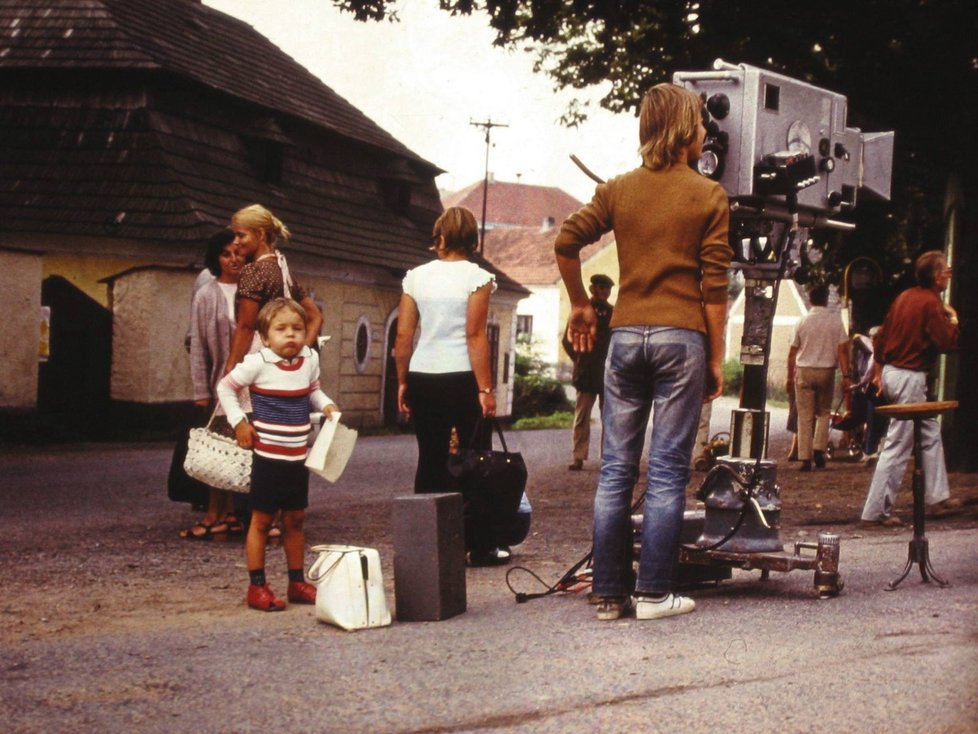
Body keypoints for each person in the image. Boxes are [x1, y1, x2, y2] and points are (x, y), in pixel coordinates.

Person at [555, 83, 732, 621]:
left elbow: (566, 241)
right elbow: (715, 290)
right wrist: (716, 360)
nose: (705, 131)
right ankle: (655, 593)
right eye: (700, 122)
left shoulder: (618, 189)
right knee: (669, 470)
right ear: (685, 129)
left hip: (626, 339)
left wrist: (581, 305)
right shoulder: (708, 195)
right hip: (682, 338)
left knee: (615, 469)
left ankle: (608, 593)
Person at [394, 206, 504, 566]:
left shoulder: (415, 278)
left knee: (430, 457)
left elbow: (404, 335)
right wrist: (486, 389)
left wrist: (402, 380)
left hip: (424, 374)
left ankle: (426, 540)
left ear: (439, 235)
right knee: (474, 459)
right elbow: (475, 335)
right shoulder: (478, 278)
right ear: (472, 238)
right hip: (462, 376)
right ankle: (479, 543)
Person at [217, 298, 339, 611]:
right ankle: (257, 586)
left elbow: (312, 390)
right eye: (281, 329)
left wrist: (325, 404)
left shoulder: (309, 358)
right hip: (268, 458)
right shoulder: (257, 362)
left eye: (297, 329)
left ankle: (297, 582)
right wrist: (239, 422)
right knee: (261, 521)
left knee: (296, 519)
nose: (291, 336)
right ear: (265, 336)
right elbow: (226, 388)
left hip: (298, 457)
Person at [225, 204, 324, 542]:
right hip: (284, 368)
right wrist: (302, 351)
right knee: (281, 436)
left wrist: (231, 366)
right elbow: (315, 317)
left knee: (252, 438)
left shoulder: (253, 273)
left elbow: (245, 325)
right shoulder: (283, 268)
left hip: (255, 361)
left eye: (241, 235)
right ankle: (281, 516)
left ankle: (254, 519)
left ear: (261, 236)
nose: (236, 243)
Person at [860, 251, 961, 526]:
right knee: (899, 443)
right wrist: (953, 320)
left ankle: (938, 497)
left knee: (929, 433)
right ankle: (876, 511)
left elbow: (880, 337)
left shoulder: (905, 296)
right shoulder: (931, 302)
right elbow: (947, 343)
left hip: (893, 372)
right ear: (937, 276)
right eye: (947, 271)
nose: (949, 274)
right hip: (909, 376)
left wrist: (880, 372)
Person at [178, 230, 245, 539]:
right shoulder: (207, 293)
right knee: (216, 451)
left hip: (250, 384)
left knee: (239, 451)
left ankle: (230, 514)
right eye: (226, 254)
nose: (233, 259)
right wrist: (201, 391)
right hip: (219, 383)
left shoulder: (253, 292)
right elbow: (199, 347)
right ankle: (214, 511)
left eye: (238, 253)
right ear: (216, 258)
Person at [786, 283, 850, 472]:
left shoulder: (802, 322)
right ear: (825, 300)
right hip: (826, 372)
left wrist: (789, 377)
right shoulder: (836, 322)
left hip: (804, 370)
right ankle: (819, 450)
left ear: (810, 300)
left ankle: (805, 457)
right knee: (823, 412)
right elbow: (842, 351)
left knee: (804, 415)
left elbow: (792, 352)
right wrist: (846, 375)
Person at [562, 273, 614, 471]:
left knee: (609, 417)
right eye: (599, 288)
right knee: (582, 417)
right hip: (586, 373)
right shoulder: (582, 310)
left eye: (606, 289)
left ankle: (608, 457)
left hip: (608, 373)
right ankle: (578, 456)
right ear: (592, 289)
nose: (602, 292)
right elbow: (568, 339)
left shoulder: (613, 313)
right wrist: (580, 358)